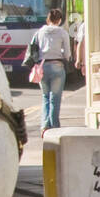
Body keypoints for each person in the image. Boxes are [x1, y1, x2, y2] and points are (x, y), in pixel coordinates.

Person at [36, 7, 71, 135]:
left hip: (43, 67)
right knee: (55, 98)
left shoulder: (40, 32)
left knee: (45, 97)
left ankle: (44, 126)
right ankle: (54, 126)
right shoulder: (62, 33)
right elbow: (67, 54)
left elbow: (35, 48)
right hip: (57, 66)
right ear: (60, 20)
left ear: (48, 19)